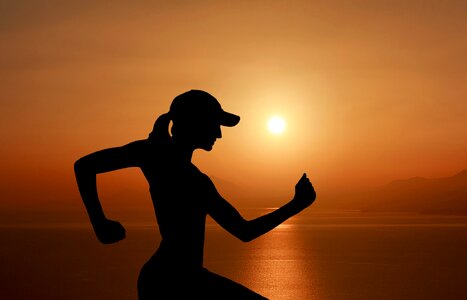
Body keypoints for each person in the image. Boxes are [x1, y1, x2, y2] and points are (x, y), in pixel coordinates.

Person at [74, 90, 317, 299]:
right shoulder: (172, 166)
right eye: (215, 125)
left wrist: (100, 223)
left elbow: (243, 231)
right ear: (195, 122)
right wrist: (296, 205)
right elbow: (244, 231)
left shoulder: (162, 159)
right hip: (174, 283)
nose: (219, 134)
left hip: (175, 278)